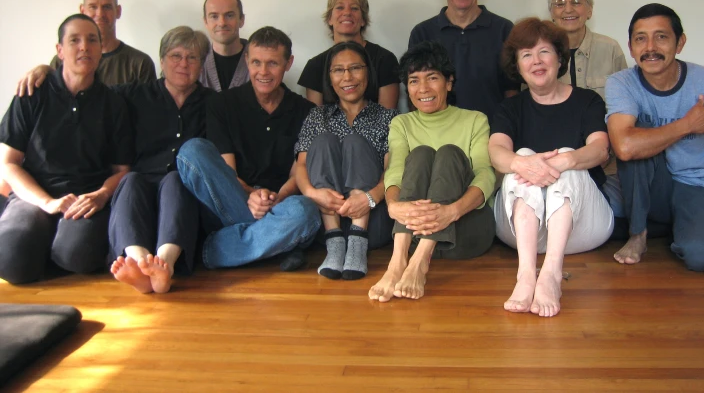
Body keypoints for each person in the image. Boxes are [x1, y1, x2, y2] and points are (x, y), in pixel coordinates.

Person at [488, 18, 614, 317]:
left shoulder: (588, 101)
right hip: (521, 235)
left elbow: (600, 149)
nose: (536, 61)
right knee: (522, 154)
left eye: (544, 51)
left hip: (582, 229)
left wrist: (564, 161)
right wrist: (524, 163)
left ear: (559, 58)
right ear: (517, 66)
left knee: (570, 154)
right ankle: (526, 274)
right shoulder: (510, 108)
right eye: (526, 55)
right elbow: (496, 152)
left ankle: (552, 273)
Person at [0, 14, 133, 284]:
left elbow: (123, 171)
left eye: (92, 40)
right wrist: (47, 203)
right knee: (11, 260)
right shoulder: (32, 92)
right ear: (60, 50)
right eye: (75, 40)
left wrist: (101, 195)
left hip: (86, 199)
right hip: (34, 196)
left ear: (100, 50)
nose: (84, 47)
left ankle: (53, 244)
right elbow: (9, 163)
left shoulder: (114, 104)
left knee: (76, 256)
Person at [606, 3, 704, 270]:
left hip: (697, 182)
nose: (650, 47)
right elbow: (624, 147)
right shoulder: (622, 82)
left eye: (662, 37)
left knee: (701, 257)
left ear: (680, 43)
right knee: (634, 133)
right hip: (651, 184)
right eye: (640, 39)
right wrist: (687, 124)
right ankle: (639, 233)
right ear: (631, 47)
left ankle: (682, 225)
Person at [176, 26, 321, 271]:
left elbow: (298, 173)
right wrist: (251, 196)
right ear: (246, 61)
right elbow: (227, 171)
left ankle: (212, 250)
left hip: (281, 202)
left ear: (288, 63)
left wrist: (275, 201)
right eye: (256, 62)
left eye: (273, 63)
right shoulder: (222, 104)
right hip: (233, 198)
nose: (263, 72)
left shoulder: (306, 111)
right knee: (192, 150)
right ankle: (279, 246)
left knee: (305, 211)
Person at [368, 41, 495, 303]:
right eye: (414, 81)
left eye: (432, 78)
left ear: (449, 82)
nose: (423, 88)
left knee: (448, 153)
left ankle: (420, 263)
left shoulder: (475, 120)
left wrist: (451, 211)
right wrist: (393, 206)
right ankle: (398, 262)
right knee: (422, 154)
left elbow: (486, 174)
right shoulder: (401, 123)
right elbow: (396, 170)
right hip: (411, 234)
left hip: (464, 232)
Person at [108, 27, 213, 294]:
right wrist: (44, 71)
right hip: (142, 183)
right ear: (162, 60)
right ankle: (140, 264)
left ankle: (164, 265)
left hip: (184, 190)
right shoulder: (133, 95)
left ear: (202, 65)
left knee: (177, 179)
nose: (183, 64)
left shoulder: (214, 103)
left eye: (192, 57)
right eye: (176, 56)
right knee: (129, 180)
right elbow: (88, 88)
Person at [295, 42, 397, 280]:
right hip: (326, 219)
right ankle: (335, 244)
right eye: (338, 70)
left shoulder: (388, 118)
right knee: (324, 140)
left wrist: (369, 198)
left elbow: (394, 172)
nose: (347, 76)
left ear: (368, 73)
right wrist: (312, 193)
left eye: (355, 68)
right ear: (330, 78)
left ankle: (357, 244)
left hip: (373, 221)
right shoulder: (317, 115)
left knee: (354, 141)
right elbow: (301, 166)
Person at [408, 0, 518, 125]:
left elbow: (512, 92)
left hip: (492, 137)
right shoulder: (422, 34)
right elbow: (415, 93)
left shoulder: (504, 30)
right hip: (437, 137)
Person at [15, 0, 157, 94]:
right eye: (93, 7)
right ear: (82, 11)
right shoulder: (64, 60)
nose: (100, 13)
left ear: (118, 11)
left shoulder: (139, 63)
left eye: (107, 7)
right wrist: (44, 69)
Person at [298, 0, 400, 109]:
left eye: (354, 8)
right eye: (340, 7)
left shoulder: (385, 60)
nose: (347, 13)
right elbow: (315, 122)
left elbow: (387, 118)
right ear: (329, 18)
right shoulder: (315, 66)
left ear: (363, 20)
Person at [547, 0, 627, 99]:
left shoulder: (611, 49)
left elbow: (626, 100)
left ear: (590, 10)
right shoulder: (539, 53)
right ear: (551, 12)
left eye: (576, 2)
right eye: (560, 4)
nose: (568, 9)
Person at [199, 0, 249, 91]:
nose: (222, 23)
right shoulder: (195, 61)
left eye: (229, 15)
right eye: (214, 16)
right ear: (205, 22)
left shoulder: (260, 60)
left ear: (241, 20)